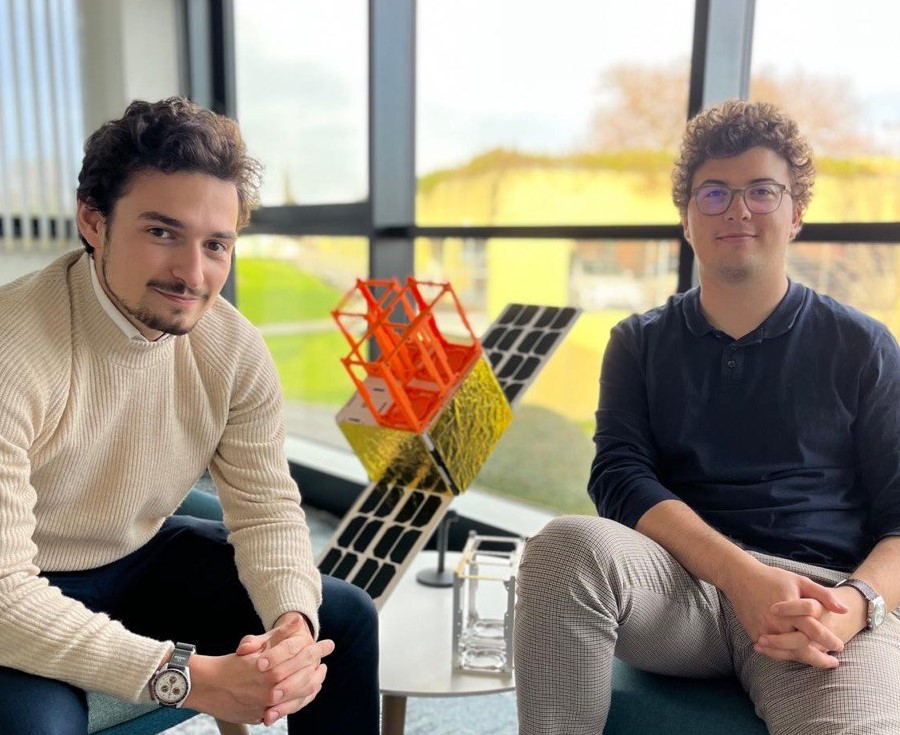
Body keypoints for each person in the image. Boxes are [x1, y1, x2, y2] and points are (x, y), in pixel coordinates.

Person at [514, 99, 900, 734]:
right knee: (564, 549)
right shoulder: (638, 342)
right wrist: (741, 577)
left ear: (796, 214)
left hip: (816, 600)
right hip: (680, 587)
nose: (737, 210)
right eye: (714, 193)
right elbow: (618, 477)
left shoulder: (863, 345)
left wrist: (854, 605)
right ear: (688, 220)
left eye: (762, 191)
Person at [0, 97, 379, 734]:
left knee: (341, 618)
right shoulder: (13, 350)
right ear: (93, 221)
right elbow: (4, 591)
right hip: (20, 587)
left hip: (136, 557)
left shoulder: (233, 349)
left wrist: (292, 624)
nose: (192, 273)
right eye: (161, 232)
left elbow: (267, 509)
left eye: (216, 244)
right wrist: (188, 677)